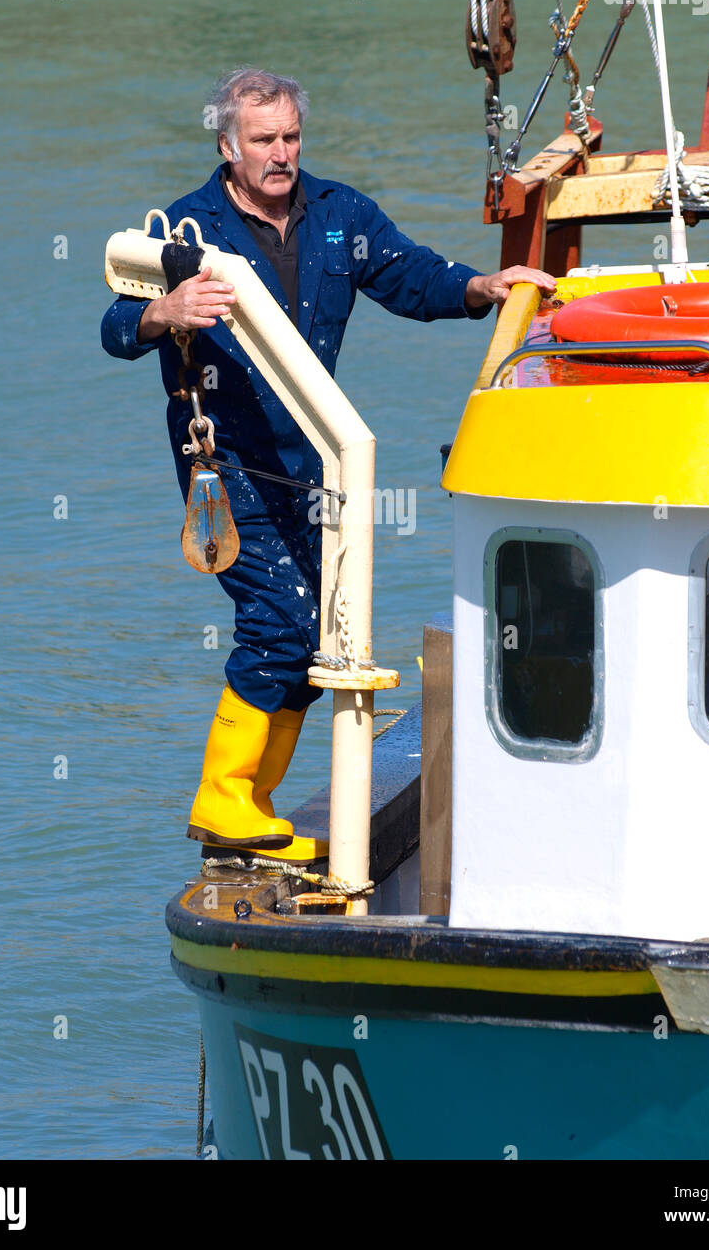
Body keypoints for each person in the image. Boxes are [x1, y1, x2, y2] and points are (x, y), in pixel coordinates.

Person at [101, 68, 555, 863]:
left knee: (322, 635)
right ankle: (221, 797)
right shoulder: (187, 229)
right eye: (263, 141)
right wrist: (161, 312)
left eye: (290, 137)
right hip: (227, 461)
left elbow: (412, 276)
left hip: (316, 458)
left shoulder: (342, 213)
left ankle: (250, 804)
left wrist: (484, 285)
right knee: (278, 621)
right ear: (228, 147)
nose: (281, 154)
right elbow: (112, 325)